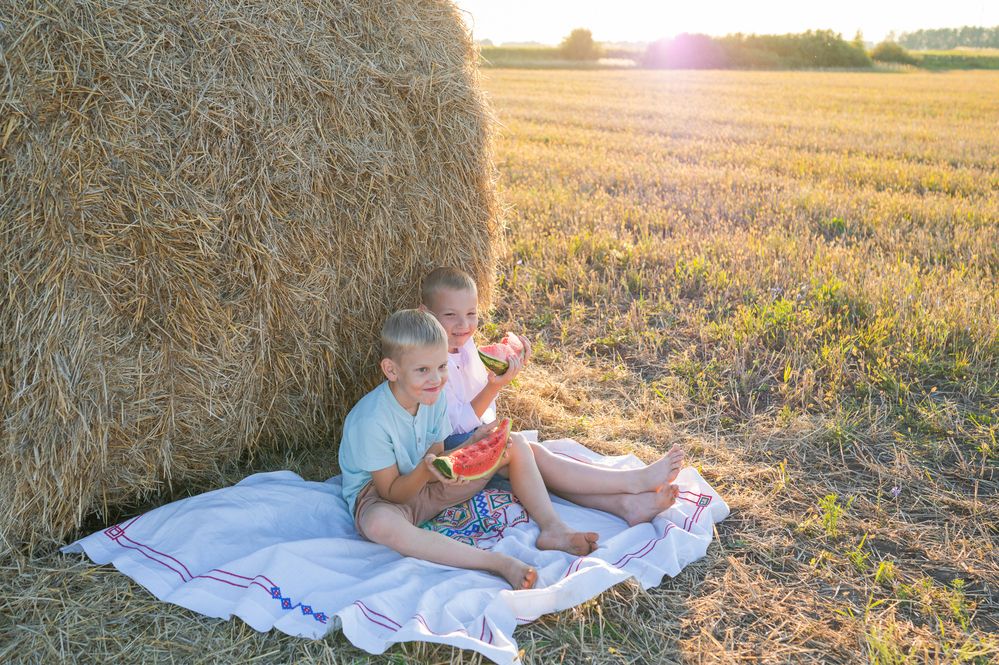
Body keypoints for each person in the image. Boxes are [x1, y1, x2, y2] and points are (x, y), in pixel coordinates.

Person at [338, 309, 599, 590]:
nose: (436, 378)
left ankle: (553, 528)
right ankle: (495, 562)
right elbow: (392, 491)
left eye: (441, 366)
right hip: (382, 498)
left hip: (428, 481)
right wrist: (430, 471)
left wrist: (470, 445)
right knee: (378, 524)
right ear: (391, 370)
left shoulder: (433, 395)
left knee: (515, 444)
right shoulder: (371, 420)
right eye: (422, 370)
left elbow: (437, 455)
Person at [419, 267, 684, 526]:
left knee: (533, 466)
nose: (464, 325)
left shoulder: (464, 346)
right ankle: (633, 481)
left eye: (471, 314)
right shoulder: (430, 366)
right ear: (426, 315)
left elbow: (478, 398)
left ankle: (627, 506)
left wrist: (509, 359)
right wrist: (495, 386)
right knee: (532, 454)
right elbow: (458, 424)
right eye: (451, 315)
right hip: (453, 448)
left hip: (478, 434)